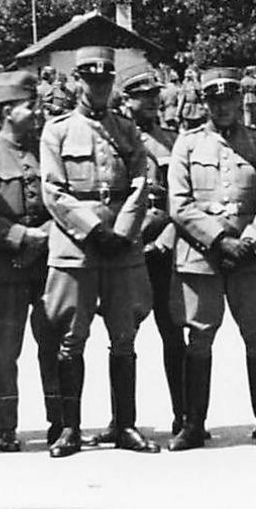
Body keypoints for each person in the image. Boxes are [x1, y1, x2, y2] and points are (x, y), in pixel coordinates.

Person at [166, 66, 256, 451]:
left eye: (228, 99)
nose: (221, 108)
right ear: (203, 103)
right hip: (203, 254)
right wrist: (220, 239)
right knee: (200, 336)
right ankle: (193, 424)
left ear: (241, 100)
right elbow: (180, 203)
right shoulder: (186, 145)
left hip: (251, 257)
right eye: (213, 101)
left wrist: (250, 240)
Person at [40, 45, 158, 456]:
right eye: (91, 79)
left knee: (124, 338)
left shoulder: (126, 130)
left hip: (121, 248)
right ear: (77, 81)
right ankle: (71, 429)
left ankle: (125, 425)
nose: (99, 87)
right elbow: (53, 190)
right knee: (72, 340)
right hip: (79, 248)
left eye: (106, 79)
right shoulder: (56, 130)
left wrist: (123, 231)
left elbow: (141, 183)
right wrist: (93, 232)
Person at [86, 56, 187, 442]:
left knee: (173, 331)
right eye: (140, 96)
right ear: (123, 101)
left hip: (162, 250)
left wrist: (166, 240)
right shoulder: (116, 140)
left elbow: (181, 201)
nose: (150, 102)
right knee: (122, 336)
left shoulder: (174, 141)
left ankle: (184, 417)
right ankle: (120, 420)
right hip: (125, 250)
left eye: (154, 95)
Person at [0, 71, 56, 453]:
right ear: (6, 111)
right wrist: (23, 238)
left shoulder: (47, 149)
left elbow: (62, 196)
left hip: (49, 263)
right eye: (27, 104)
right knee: (3, 351)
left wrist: (47, 233)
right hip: (4, 268)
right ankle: (1, 427)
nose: (36, 111)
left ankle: (61, 423)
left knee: (54, 346)